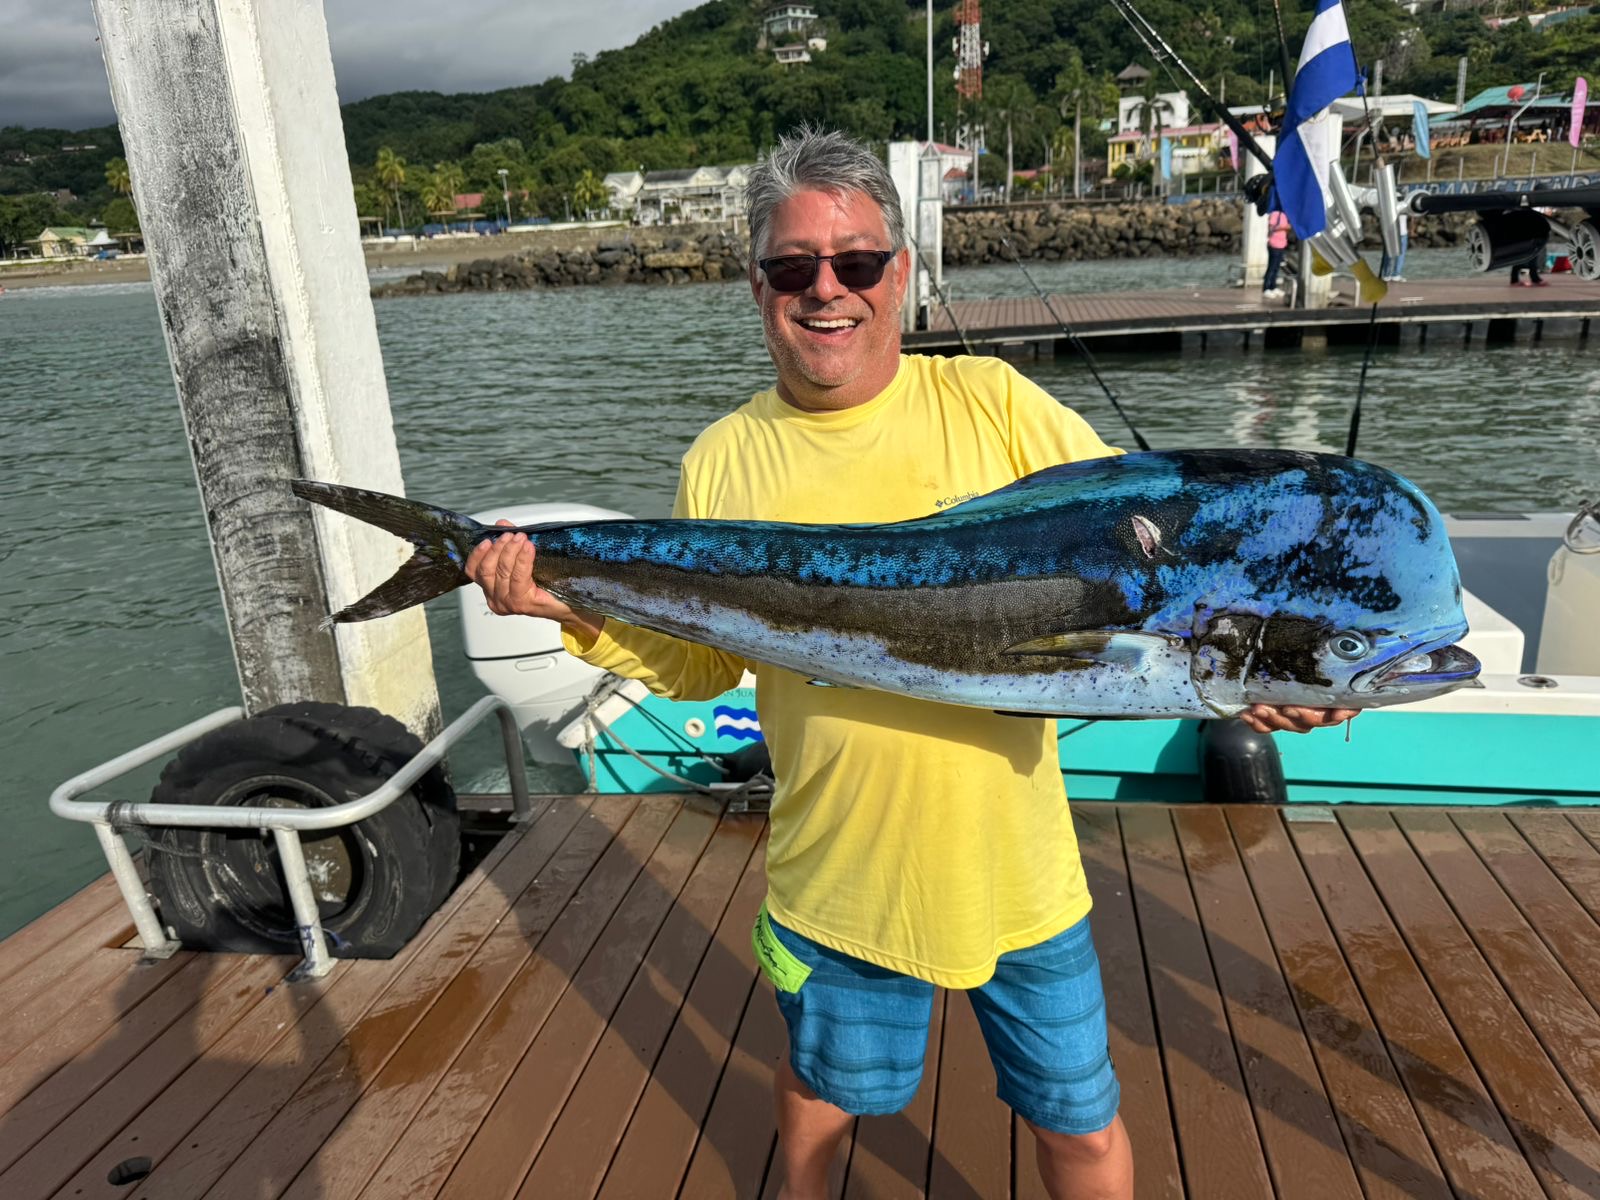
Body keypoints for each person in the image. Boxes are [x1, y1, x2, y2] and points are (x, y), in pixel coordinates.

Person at [465, 128, 1356, 1200]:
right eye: (794, 267)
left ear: (899, 273)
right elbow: (701, 670)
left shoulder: (995, 403)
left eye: (856, 262)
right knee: (820, 1104)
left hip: (1019, 877)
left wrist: (1280, 665)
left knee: (1080, 1125)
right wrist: (566, 607)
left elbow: (1157, 555)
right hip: (836, 883)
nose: (826, 289)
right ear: (757, 285)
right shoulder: (723, 457)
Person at [1263, 208, 1289, 298]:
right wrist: (1285, 227)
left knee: (1276, 268)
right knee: (1271, 267)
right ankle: (1266, 288)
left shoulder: (1285, 215)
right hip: (1274, 244)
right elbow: (1271, 227)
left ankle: (1273, 287)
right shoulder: (1275, 213)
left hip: (1282, 244)